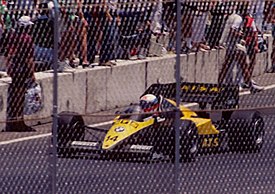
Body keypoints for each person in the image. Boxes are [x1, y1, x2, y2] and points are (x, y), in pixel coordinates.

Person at [4, 15, 36, 132]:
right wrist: (32, 73)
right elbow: (29, 57)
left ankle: (15, 121)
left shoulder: (12, 36)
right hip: (22, 68)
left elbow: (8, 53)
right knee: (20, 96)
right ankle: (18, 122)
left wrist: (9, 67)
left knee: (15, 95)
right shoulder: (27, 38)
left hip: (13, 67)